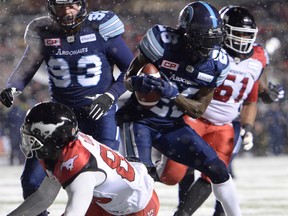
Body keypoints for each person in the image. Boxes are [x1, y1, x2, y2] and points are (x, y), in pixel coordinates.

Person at [0, 1, 134, 215]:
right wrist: (12, 87)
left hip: (98, 113)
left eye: (71, 5)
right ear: (52, 8)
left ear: (81, 5)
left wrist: (110, 96)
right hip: (59, 119)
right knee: (32, 181)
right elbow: (28, 65)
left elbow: (132, 68)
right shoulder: (44, 33)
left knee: (101, 180)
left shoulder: (100, 29)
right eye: (62, 6)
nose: (67, 11)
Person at [116, 2, 242, 216]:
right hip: (139, 120)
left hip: (171, 125)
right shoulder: (162, 42)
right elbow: (128, 79)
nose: (209, 46)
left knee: (218, 170)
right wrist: (138, 84)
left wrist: (173, 94)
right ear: (186, 33)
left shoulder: (218, 63)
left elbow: (198, 110)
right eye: (204, 39)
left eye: (214, 39)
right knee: (140, 179)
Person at [157, 5, 284, 216]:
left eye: (247, 34)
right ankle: (162, 186)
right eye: (239, 33)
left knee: (217, 172)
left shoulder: (259, 57)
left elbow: (255, 95)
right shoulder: (208, 50)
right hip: (195, 115)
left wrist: (254, 118)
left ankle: (197, 213)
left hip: (227, 122)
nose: (243, 39)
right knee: (175, 172)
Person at [7, 101, 159, 216]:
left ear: (53, 138)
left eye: (33, 137)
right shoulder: (59, 150)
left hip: (136, 208)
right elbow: (43, 198)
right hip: (106, 203)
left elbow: (74, 213)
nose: (27, 141)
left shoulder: (81, 170)